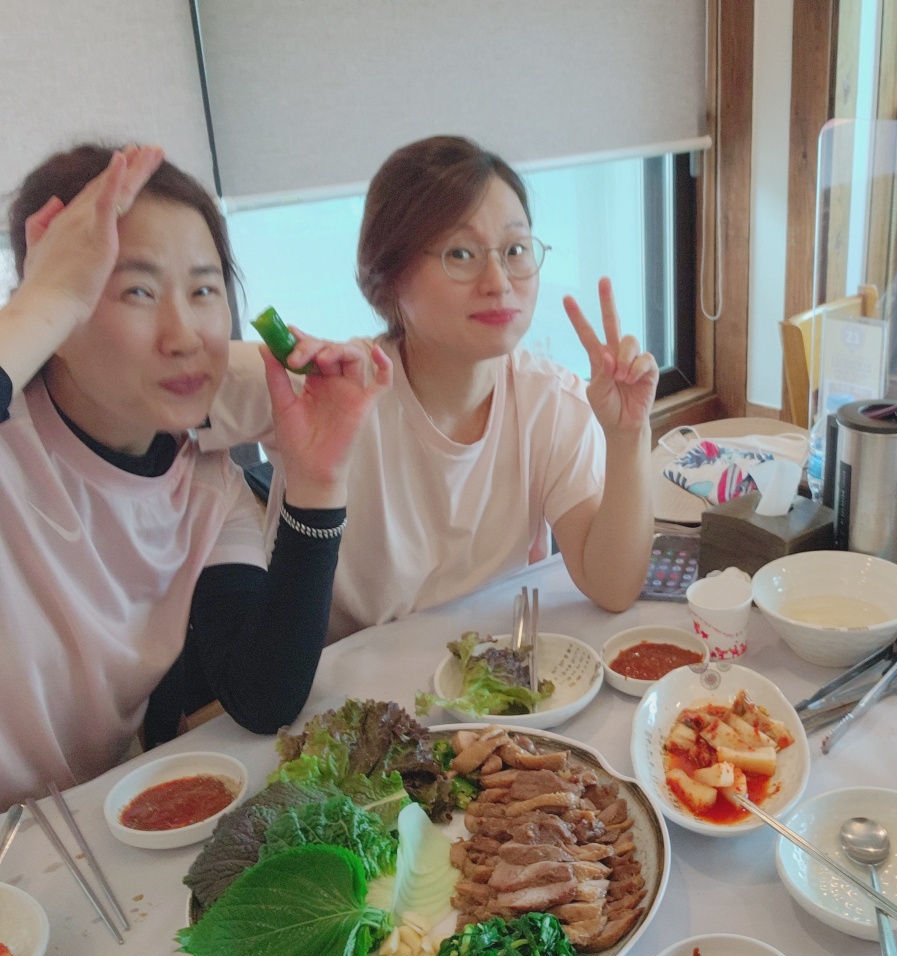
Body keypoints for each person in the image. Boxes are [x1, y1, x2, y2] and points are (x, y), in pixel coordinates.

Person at [0, 144, 391, 807]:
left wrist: (318, 486)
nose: (185, 336)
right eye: (137, 291)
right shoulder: (14, 445)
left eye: (205, 289)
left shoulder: (204, 483)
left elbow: (264, 697)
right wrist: (48, 297)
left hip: (81, 830)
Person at [201, 136, 657, 642]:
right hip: (344, 679)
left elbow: (612, 586)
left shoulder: (550, 402)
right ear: (390, 276)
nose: (498, 280)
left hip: (486, 675)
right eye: (460, 253)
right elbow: (154, 387)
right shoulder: (328, 390)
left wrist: (628, 437)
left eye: (515, 250)